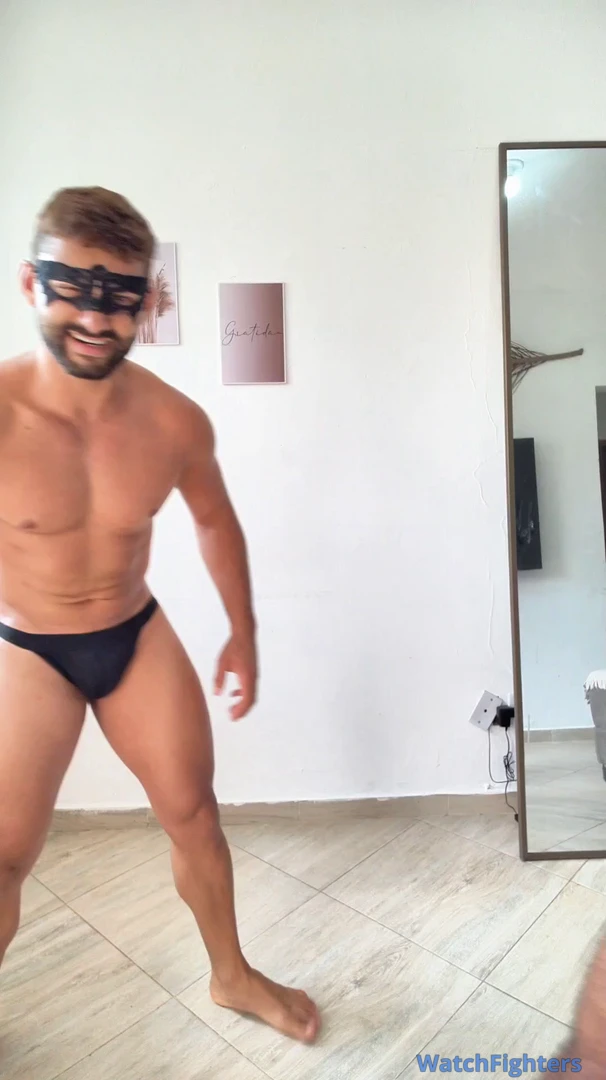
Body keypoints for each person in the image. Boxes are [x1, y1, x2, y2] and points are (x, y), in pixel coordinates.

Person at [0, 186, 320, 1044]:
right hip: (28, 648)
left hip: (133, 634)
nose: (94, 318)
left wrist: (244, 633)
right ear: (32, 284)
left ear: (146, 302)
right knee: (4, 857)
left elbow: (215, 521)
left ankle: (231, 976)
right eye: (74, 289)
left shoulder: (174, 421)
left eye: (119, 297)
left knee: (194, 815)